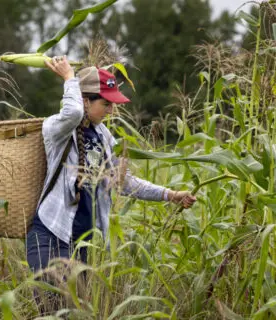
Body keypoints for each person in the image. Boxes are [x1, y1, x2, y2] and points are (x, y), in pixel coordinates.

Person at [26, 56, 196, 273]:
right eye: (106, 104)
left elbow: (123, 182)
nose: (111, 111)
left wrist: (170, 195)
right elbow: (74, 112)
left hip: (84, 244)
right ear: (85, 100)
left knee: (74, 306)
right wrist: (69, 78)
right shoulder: (57, 128)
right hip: (51, 235)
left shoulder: (104, 137)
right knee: (53, 304)